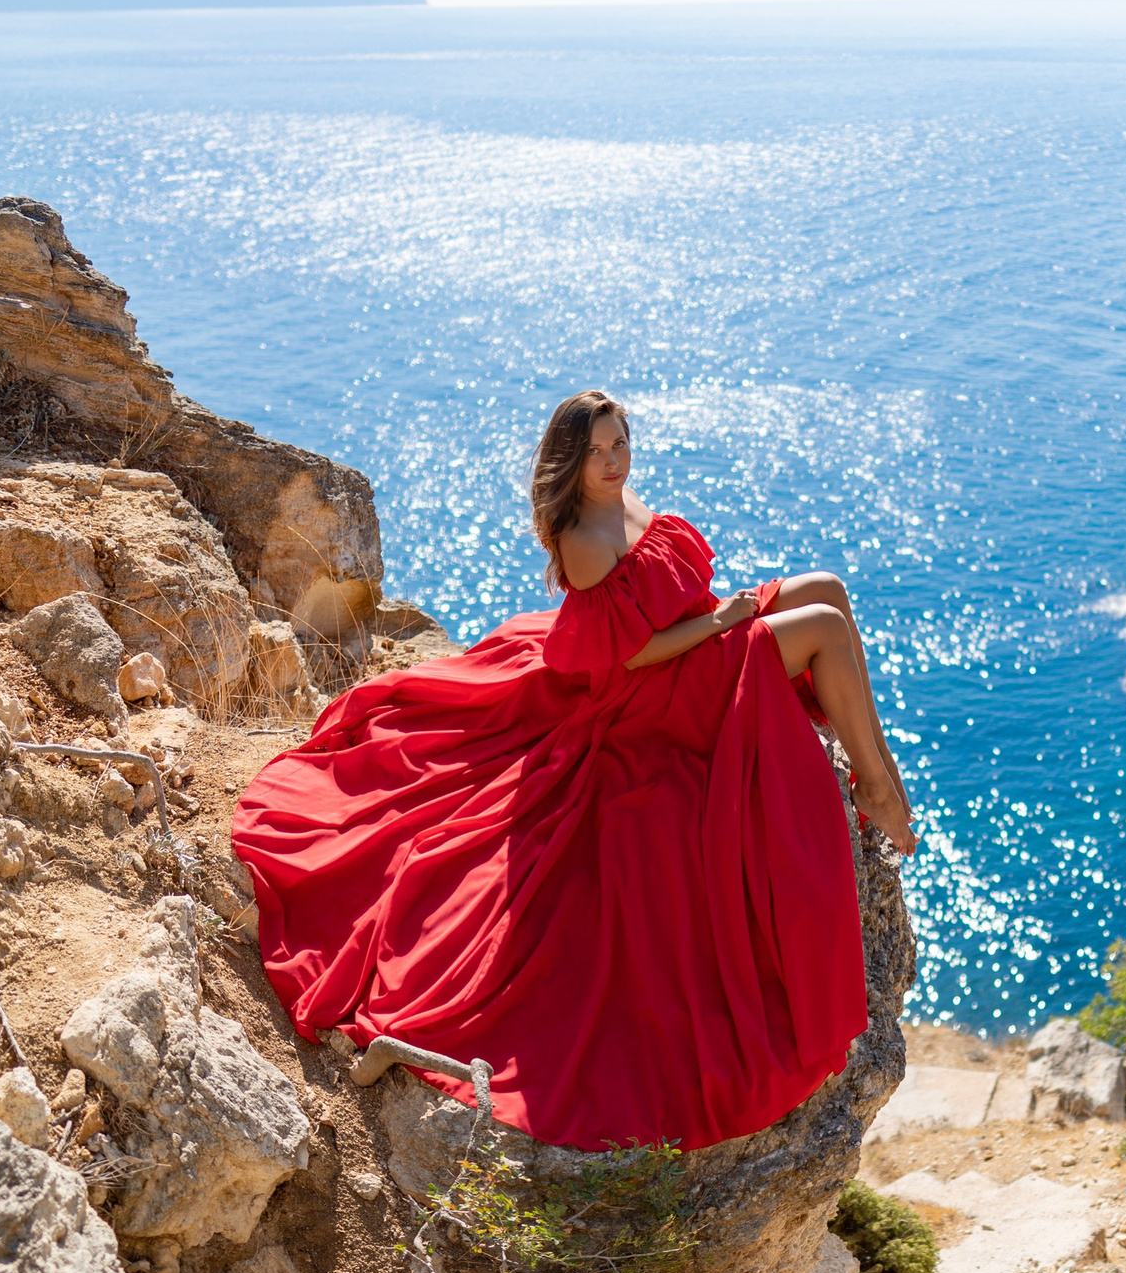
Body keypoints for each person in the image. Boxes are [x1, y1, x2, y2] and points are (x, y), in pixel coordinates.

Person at [231, 389, 915, 1151]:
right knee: (818, 626)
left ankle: (875, 762)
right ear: (571, 460)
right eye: (597, 452)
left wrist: (721, 614)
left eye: (620, 443)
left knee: (828, 590)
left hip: (699, 640)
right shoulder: (584, 536)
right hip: (660, 688)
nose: (614, 461)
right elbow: (630, 653)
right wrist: (726, 622)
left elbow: (664, 589)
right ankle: (877, 787)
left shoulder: (620, 495)